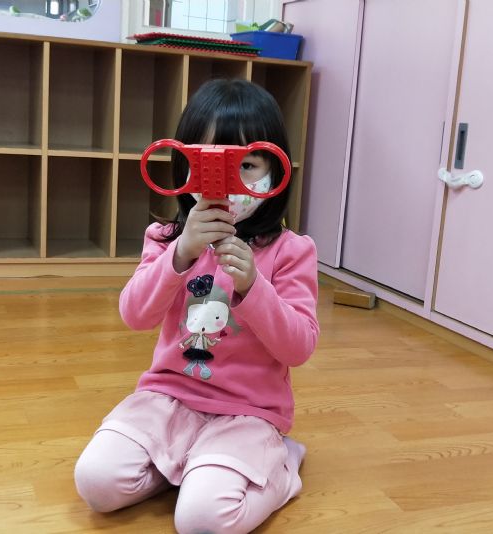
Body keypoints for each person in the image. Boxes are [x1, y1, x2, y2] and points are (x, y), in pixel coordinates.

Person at [73, 78, 319, 533]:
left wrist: (253, 286)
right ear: (185, 166)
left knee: (201, 521)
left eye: (247, 165)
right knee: (96, 484)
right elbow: (135, 315)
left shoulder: (291, 250)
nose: (227, 184)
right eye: (209, 163)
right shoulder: (165, 238)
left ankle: (280, 465)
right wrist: (180, 254)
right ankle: (188, 466)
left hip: (248, 410)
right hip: (167, 397)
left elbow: (299, 348)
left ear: (275, 170)